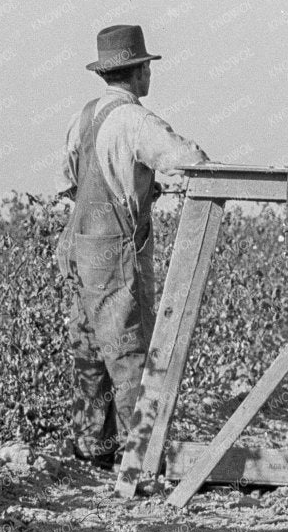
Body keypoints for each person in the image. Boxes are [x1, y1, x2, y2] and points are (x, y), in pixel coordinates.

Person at [55, 24, 207, 493]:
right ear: (138, 71)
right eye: (146, 69)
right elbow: (191, 161)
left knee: (88, 349)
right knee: (129, 353)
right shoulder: (135, 121)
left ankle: (94, 446)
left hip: (78, 245)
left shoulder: (83, 118)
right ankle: (137, 458)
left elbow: (72, 181)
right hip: (115, 249)